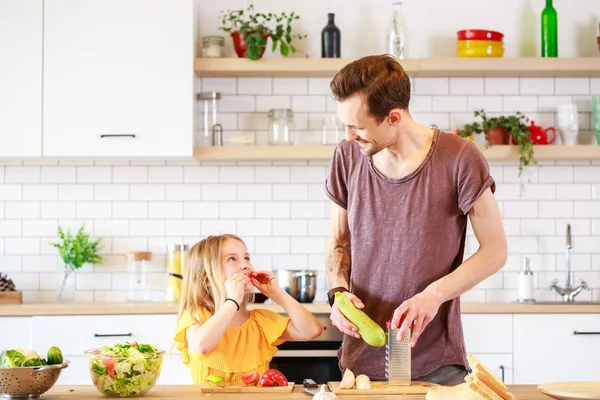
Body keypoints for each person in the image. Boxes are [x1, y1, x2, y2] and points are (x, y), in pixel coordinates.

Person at [324, 55, 507, 385]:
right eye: (344, 125)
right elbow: (339, 239)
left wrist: (433, 296)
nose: (349, 136)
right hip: (360, 365)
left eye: (358, 126)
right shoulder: (347, 156)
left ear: (394, 117)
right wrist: (338, 294)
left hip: (436, 365)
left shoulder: (461, 159)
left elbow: (495, 251)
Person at [173, 234, 322, 384]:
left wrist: (276, 293)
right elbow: (201, 345)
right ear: (207, 279)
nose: (246, 265)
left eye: (246, 258)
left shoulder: (260, 322)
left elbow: (311, 330)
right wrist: (233, 301)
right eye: (232, 259)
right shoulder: (196, 315)